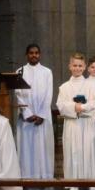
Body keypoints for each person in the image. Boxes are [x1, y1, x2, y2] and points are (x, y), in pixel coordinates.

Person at [56, 53, 95, 190]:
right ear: (70, 66)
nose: (77, 68)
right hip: (72, 123)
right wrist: (73, 107)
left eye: (80, 65)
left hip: (87, 123)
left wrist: (83, 107)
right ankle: (72, 182)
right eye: (74, 65)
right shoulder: (64, 87)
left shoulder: (91, 85)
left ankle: (90, 181)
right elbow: (60, 105)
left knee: (88, 151)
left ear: (84, 67)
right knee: (73, 151)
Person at [15, 43, 54, 179]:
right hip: (27, 118)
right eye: (31, 53)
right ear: (27, 55)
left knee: (43, 148)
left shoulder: (47, 72)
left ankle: (45, 175)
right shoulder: (19, 71)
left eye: (36, 53)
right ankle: (27, 175)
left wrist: (42, 114)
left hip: (42, 116)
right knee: (27, 148)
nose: (34, 55)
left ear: (40, 55)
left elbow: (49, 94)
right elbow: (18, 94)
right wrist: (28, 114)